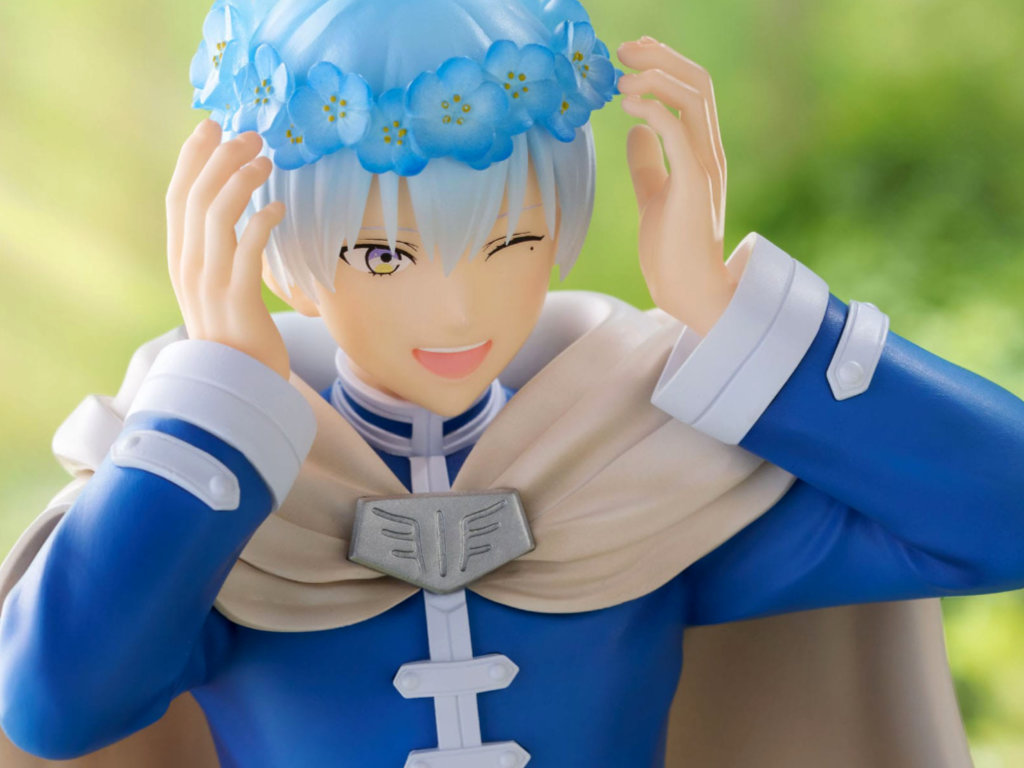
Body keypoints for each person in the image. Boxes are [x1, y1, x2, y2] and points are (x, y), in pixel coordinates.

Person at [1, 1, 1022, 766]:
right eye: (385, 255)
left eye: (511, 241)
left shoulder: (640, 476)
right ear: (279, 253)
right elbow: (55, 708)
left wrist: (726, 312)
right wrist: (223, 389)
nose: (458, 311)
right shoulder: (215, 514)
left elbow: (1002, 517)